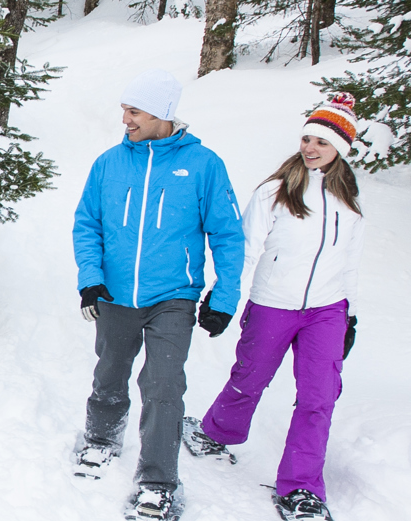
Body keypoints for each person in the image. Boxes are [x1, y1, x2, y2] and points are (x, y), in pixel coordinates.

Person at [180, 93, 366, 521]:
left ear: (340, 150)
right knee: (251, 377)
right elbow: (243, 250)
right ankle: (215, 433)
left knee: (319, 398)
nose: (310, 148)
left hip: (327, 309)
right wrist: (223, 295)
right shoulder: (276, 191)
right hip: (273, 304)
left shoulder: (349, 202)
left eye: (321, 142)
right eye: (307, 138)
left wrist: (350, 314)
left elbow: (350, 263)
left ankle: (301, 488)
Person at [71, 69, 245, 521]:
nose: (125, 119)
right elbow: (87, 224)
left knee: (164, 384)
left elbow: (227, 234)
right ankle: (102, 438)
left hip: (173, 296)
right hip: (114, 294)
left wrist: (224, 297)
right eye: (124, 110)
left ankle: (158, 482)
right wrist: (90, 278)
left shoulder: (204, 165)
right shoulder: (109, 163)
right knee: (110, 372)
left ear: (163, 115)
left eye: (134, 111)